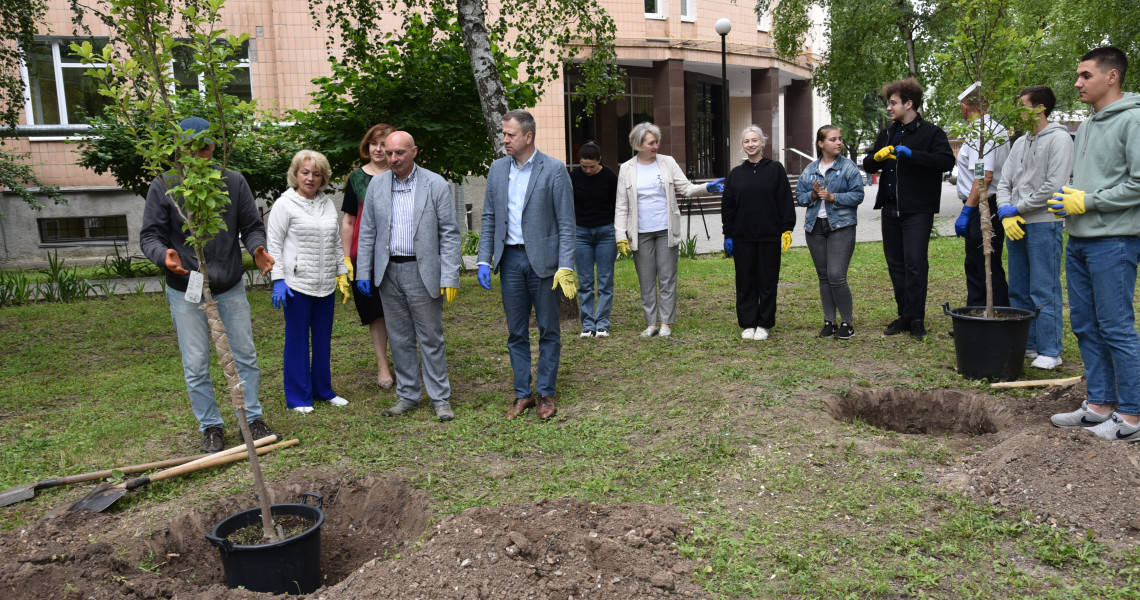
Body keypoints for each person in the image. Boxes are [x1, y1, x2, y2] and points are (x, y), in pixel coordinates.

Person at [140, 116, 276, 453]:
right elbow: (150, 235)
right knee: (196, 361)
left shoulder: (232, 181)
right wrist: (163, 256)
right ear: (179, 149)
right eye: (191, 148)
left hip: (228, 285)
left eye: (205, 147)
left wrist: (257, 248)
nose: (199, 154)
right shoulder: (165, 185)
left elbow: (251, 225)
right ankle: (212, 427)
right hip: (186, 286)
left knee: (245, 354)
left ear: (213, 147)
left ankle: (253, 419)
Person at [1048, 47, 1140, 442]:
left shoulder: (1133, 120)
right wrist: (1069, 197)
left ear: (1112, 76)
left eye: (1085, 75)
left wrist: (1090, 201)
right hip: (1080, 239)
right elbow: (1097, 179)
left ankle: (1132, 418)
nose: (1077, 82)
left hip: (1114, 240)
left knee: (1116, 326)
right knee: (1086, 324)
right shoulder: (1086, 125)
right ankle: (1100, 404)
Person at [477, 109, 577, 420]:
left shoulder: (554, 170)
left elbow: (566, 223)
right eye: (504, 134)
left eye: (511, 135)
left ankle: (546, 393)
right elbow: (490, 217)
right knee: (516, 332)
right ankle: (523, 395)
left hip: (544, 263)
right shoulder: (497, 170)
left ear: (528, 137)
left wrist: (566, 265)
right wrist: (483, 259)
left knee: (549, 329)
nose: (504, 139)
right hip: (510, 260)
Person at [357, 131, 461, 422]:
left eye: (400, 153)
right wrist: (363, 272)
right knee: (400, 337)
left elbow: (449, 235)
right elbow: (367, 233)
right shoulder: (377, 185)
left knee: (430, 337)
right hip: (388, 272)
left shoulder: (435, 184)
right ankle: (408, 395)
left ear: (414, 152)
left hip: (422, 270)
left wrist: (449, 275)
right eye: (389, 153)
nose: (393, 159)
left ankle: (440, 398)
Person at [863, 78, 955, 339]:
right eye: (888, 103)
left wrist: (914, 156)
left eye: (893, 103)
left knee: (915, 263)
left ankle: (917, 318)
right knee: (896, 264)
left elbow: (946, 161)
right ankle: (904, 314)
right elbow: (869, 165)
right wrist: (876, 157)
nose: (889, 108)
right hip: (890, 209)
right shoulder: (888, 133)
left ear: (909, 103)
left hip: (917, 210)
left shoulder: (931, 133)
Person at [614, 122, 724, 338]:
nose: (656, 146)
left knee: (667, 278)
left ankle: (666, 323)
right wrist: (620, 236)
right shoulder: (626, 168)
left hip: (665, 229)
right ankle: (651, 324)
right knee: (646, 280)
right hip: (640, 232)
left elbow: (686, 188)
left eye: (657, 142)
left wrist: (706, 188)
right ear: (638, 144)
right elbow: (622, 205)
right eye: (651, 143)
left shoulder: (667, 163)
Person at [266, 149, 351, 414]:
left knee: (323, 339)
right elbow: (274, 244)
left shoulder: (326, 203)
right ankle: (298, 398)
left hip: (324, 283)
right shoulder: (284, 204)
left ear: (323, 178)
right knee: (297, 341)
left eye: (316, 174)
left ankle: (323, 391)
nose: (310, 178)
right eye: (305, 172)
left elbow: (335, 241)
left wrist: (341, 272)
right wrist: (278, 279)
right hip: (296, 285)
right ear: (295, 174)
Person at [995, 85, 1072, 371]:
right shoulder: (1019, 142)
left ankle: (1051, 350)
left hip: (1044, 223)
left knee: (1044, 287)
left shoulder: (1060, 139)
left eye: (1022, 106)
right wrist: (1005, 210)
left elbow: (1053, 187)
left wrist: (1019, 207)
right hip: (1016, 224)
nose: (1017, 112)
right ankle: (1030, 343)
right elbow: (1004, 182)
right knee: (1019, 287)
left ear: (1039, 108)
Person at [722, 125, 796, 341]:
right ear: (742, 145)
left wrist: (787, 228)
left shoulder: (775, 169)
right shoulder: (736, 174)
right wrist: (728, 234)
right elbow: (728, 206)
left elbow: (784, 200)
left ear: (762, 142)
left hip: (769, 236)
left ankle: (764, 323)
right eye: (746, 141)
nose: (751, 144)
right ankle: (748, 323)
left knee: (767, 281)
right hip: (743, 237)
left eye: (754, 140)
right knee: (745, 282)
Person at [795, 125, 865, 339]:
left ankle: (847, 322)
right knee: (824, 276)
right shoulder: (810, 170)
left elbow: (858, 195)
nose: (838, 143)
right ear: (821, 143)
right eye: (833, 139)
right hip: (815, 227)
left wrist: (834, 197)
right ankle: (829, 322)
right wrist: (814, 195)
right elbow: (800, 196)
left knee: (836, 275)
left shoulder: (848, 168)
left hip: (841, 227)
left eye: (840, 139)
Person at [341, 123, 397, 388]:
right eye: (374, 143)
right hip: (364, 257)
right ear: (367, 146)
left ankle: (404, 360)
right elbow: (349, 221)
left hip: (397, 253)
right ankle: (382, 364)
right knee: (375, 313)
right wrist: (345, 260)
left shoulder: (401, 175)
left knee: (397, 310)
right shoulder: (357, 179)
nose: (379, 148)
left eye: (384, 143)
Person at [953, 87, 1010, 308]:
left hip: (984, 205)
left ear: (965, 106)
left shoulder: (981, 132)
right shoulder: (994, 128)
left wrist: (967, 210)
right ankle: (976, 310)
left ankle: (995, 312)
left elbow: (983, 177)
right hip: (984, 202)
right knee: (978, 262)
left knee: (985, 263)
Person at [570, 141, 619, 338]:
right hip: (580, 233)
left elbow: (619, 205)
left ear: (600, 160)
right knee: (585, 281)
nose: (588, 170)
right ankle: (588, 323)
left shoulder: (609, 177)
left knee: (605, 281)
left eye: (591, 166)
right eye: (584, 166)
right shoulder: (573, 177)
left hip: (606, 232)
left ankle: (603, 323)